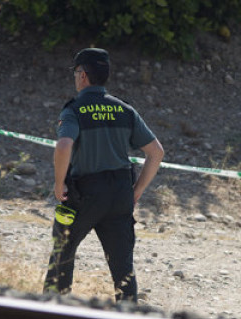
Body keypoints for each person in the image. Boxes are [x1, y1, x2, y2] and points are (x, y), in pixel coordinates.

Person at [43, 47, 165, 302]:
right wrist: (137, 190)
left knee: (62, 253)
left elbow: (64, 145)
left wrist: (58, 183)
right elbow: (156, 152)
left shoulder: (74, 110)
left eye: (76, 72)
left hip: (84, 194)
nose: (75, 77)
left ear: (83, 75)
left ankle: (54, 312)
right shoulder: (124, 110)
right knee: (123, 267)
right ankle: (128, 318)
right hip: (120, 193)